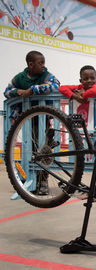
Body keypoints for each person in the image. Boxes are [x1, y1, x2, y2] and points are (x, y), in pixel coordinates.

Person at [4, 50, 60, 195]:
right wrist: (19, 92)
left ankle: (43, 180)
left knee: (44, 150)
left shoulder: (46, 75)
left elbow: (56, 85)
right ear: (30, 64)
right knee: (31, 151)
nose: (43, 66)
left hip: (43, 120)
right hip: (27, 121)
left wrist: (33, 90)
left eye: (44, 63)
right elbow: (7, 91)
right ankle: (31, 179)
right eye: (40, 63)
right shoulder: (20, 77)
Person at [59, 65, 96, 196]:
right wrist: (74, 96)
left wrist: (83, 95)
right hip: (88, 125)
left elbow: (95, 91)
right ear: (80, 80)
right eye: (85, 78)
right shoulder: (78, 88)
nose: (89, 81)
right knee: (80, 152)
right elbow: (62, 88)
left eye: (92, 78)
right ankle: (75, 181)